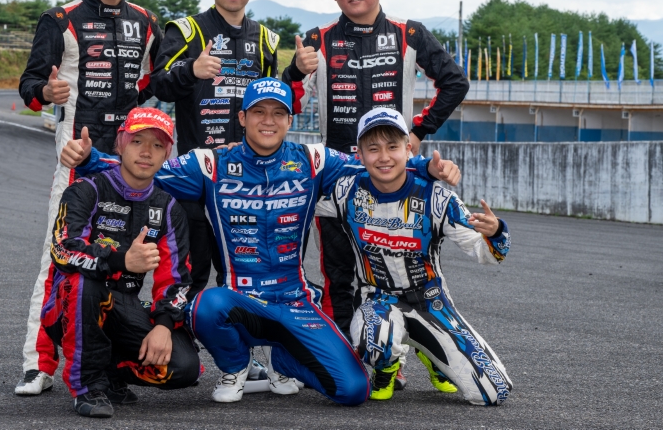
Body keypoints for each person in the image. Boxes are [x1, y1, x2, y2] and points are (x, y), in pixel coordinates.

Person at [66, 79, 460, 405]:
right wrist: (89, 160)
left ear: (290, 119)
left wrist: (425, 168)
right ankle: (236, 366)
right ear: (242, 118)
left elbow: (374, 164)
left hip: (294, 300)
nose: (268, 121)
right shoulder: (210, 163)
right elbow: (144, 166)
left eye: (277, 113)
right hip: (238, 299)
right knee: (205, 304)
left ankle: (282, 359)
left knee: (353, 390)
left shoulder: (314, 160)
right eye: (258, 112)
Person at [281, 0, 470, 390]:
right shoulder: (316, 40)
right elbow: (281, 106)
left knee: (407, 275)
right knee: (338, 276)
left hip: (396, 177)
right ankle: (348, 364)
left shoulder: (409, 33)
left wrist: (417, 134)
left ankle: (413, 352)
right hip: (339, 180)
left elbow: (455, 81)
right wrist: (294, 72)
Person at [14, 0, 163, 396]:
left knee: (132, 265)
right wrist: (46, 91)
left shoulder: (147, 22)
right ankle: (38, 364)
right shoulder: (60, 19)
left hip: (132, 167)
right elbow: (29, 87)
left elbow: (154, 83)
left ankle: (115, 364)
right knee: (57, 261)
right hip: (78, 161)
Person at [316, 107, 512, 405]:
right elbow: (294, 196)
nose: (384, 157)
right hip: (377, 299)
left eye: (392, 147)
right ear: (360, 154)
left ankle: (432, 354)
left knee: (494, 392)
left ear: (408, 149)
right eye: (373, 148)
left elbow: (488, 254)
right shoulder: (345, 191)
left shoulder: (438, 197)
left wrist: (496, 232)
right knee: (372, 338)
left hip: (431, 302)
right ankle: (386, 368)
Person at [41, 107, 200, 418]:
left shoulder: (168, 208)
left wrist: (164, 325)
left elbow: (177, 280)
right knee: (84, 283)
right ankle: (87, 385)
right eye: (137, 141)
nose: (146, 152)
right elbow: (63, 252)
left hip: (123, 304)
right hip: (67, 306)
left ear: (166, 154)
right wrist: (121, 260)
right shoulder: (85, 190)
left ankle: (110, 372)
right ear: (121, 144)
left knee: (184, 367)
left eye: (157, 145)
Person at [148, 0, 280, 304]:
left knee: (243, 276)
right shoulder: (186, 31)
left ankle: (240, 341)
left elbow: (273, 106)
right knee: (189, 274)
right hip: (197, 174)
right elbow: (157, 84)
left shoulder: (266, 40)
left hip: (247, 176)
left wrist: (296, 72)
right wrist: (191, 70)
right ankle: (176, 337)